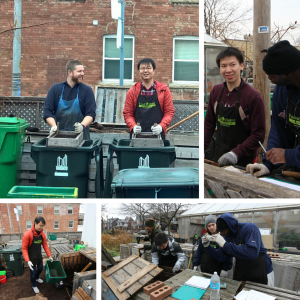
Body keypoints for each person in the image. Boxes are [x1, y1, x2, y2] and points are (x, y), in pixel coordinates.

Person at [246, 40, 300, 177]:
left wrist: (290, 155)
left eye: (272, 74)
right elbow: (279, 129)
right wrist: (268, 163)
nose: (269, 78)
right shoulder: (281, 90)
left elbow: (287, 154)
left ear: (287, 73)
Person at [204, 47, 266, 167]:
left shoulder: (253, 96)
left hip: (244, 161)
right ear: (219, 68)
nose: (228, 70)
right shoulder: (216, 91)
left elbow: (258, 135)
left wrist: (235, 154)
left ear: (242, 65)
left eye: (232, 65)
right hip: (219, 157)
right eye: (223, 66)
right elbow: (209, 126)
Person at [204, 213, 274, 286]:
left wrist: (225, 245)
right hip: (242, 271)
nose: (222, 233)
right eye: (220, 231)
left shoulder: (250, 229)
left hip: (260, 270)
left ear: (230, 226)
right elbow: (221, 257)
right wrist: (208, 247)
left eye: (223, 230)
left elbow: (252, 252)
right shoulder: (226, 237)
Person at [123, 58, 175, 140]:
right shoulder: (132, 91)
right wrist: (133, 126)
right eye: (142, 68)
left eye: (148, 68)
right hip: (137, 136)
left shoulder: (164, 90)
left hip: (158, 136)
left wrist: (161, 126)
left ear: (154, 70)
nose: (145, 71)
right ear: (139, 71)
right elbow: (127, 113)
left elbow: (169, 112)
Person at [43, 60, 96, 140]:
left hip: (82, 140)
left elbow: (91, 113)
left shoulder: (87, 90)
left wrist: (82, 126)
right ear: (70, 73)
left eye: (83, 71)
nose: (82, 74)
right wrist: (53, 126)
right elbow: (47, 112)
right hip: (58, 138)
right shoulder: (55, 89)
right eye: (79, 71)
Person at [21, 217, 53, 294]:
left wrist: (49, 256)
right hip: (31, 258)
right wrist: (27, 260)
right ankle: (34, 285)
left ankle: (37, 277)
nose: (41, 228)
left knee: (41, 268)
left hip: (38, 256)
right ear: (35, 223)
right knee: (32, 273)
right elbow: (24, 248)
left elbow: (45, 245)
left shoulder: (42, 234)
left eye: (43, 226)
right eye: (40, 225)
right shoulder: (27, 234)